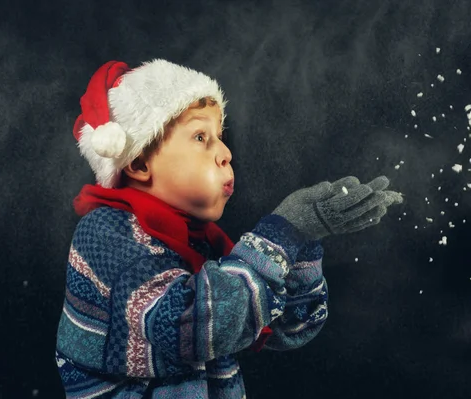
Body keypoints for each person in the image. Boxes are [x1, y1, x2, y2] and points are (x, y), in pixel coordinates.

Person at [55, 59, 403, 398]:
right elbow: (188, 327)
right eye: (200, 137)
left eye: (219, 137)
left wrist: (302, 237)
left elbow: (291, 327)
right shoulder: (104, 236)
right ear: (140, 161)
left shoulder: (200, 243)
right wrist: (281, 234)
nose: (225, 153)